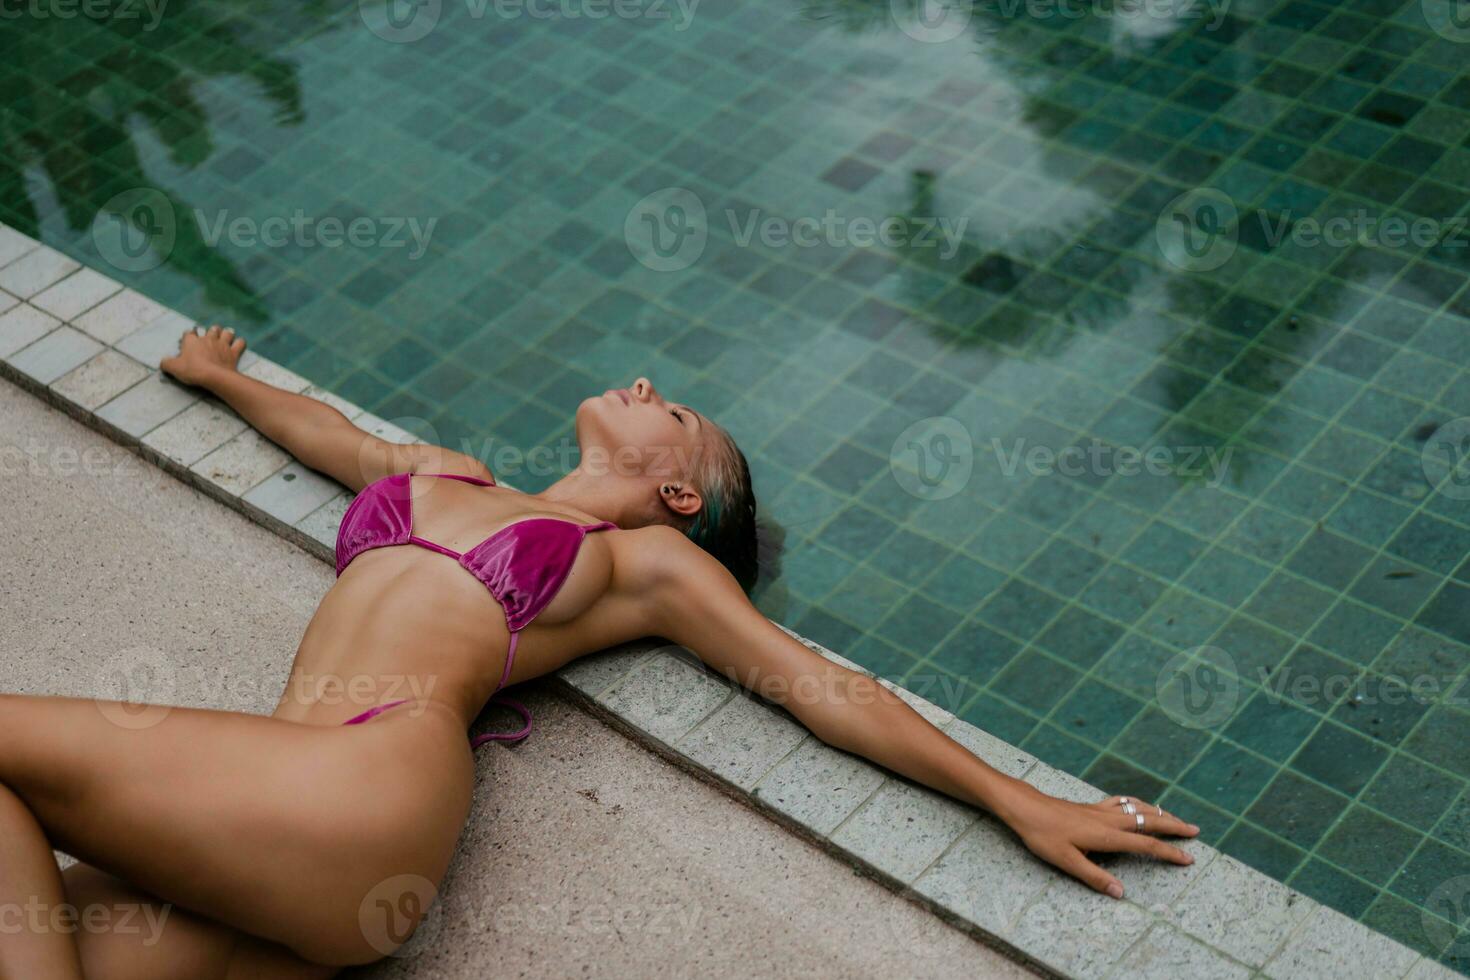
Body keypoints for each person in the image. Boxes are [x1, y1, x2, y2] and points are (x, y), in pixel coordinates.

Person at [1, 325, 1197, 978]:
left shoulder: (642, 566)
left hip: (373, 786)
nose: (641, 381)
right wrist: (218, 376)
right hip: (284, 828)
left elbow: (821, 686)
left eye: (672, 406)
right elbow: (331, 435)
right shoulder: (445, 474)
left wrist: (1017, 797)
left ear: (678, 489)